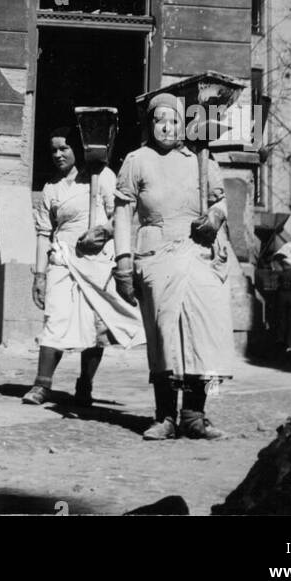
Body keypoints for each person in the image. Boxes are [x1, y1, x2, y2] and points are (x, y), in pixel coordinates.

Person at [113, 92, 236, 440]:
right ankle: (165, 416)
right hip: (157, 255)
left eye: (174, 120)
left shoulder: (200, 160)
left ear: (183, 124)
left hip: (199, 252)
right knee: (165, 335)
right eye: (159, 120)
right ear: (150, 124)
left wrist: (214, 217)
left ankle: (195, 415)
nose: (167, 127)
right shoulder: (137, 161)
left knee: (204, 332)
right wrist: (123, 264)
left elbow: (220, 201)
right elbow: (122, 215)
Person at [23, 125, 143, 408]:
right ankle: (42, 385)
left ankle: (85, 384)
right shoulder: (51, 189)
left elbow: (121, 217)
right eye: (53, 150)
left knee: (94, 326)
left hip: (97, 260)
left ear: (78, 149)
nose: (58, 154)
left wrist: (101, 233)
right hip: (63, 259)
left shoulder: (101, 178)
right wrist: (39, 274)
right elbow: (43, 233)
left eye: (64, 148)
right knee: (56, 316)